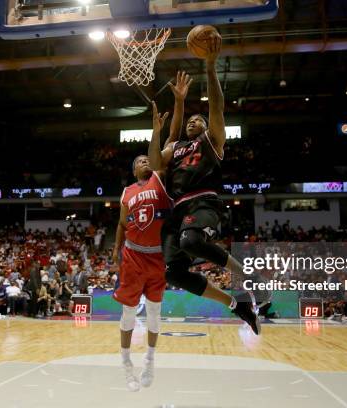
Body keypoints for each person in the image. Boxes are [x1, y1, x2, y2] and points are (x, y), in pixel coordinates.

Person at [148, 34, 261, 334]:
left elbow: (217, 110)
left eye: (196, 120)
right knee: (175, 274)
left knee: (192, 242)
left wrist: (210, 67)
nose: (191, 123)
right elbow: (158, 158)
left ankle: (250, 279)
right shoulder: (177, 148)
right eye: (189, 121)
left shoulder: (211, 141)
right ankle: (238, 305)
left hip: (204, 202)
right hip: (177, 212)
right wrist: (167, 118)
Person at [111, 71, 190, 392]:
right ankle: (126, 360)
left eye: (148, 157)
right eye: (140, 160)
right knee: (129, 312)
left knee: (155, 313)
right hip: (132, 254)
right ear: (134, 170)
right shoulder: (127, 192)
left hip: (156, 256)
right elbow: (120, 224)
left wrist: (178, 103)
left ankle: (151, 361)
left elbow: (171, 139)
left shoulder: (160, 178)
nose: (146, 160)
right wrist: (116, 250)